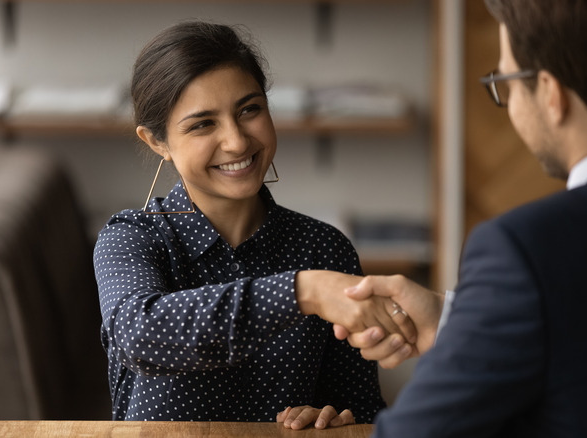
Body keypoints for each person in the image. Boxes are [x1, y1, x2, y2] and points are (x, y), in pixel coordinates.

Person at [331, 0, 587, 436]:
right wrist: (460, 318)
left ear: (551, 94)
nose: (508, 104)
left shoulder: (527, 247)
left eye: (507, 82)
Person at [93, 21, 415, 428]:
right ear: (158, 142)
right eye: (202, 124)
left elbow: (363, 410)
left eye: (249, 110)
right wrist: (303, 292)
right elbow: (141, 335)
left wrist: (336, 418)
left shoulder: (325, 249)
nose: (237, 141)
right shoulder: (131, 237)